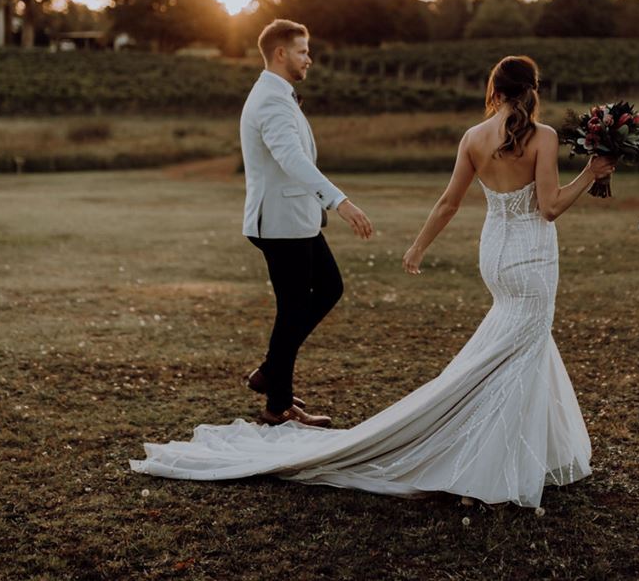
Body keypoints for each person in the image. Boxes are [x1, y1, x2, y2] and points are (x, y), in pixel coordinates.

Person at [130, 55, 614, 509]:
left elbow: (448, 202)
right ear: (531, 91)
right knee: (520, 349)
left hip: (494, 255)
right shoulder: (544, 136)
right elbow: (548, 207)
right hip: (530, 256)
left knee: (517, 346)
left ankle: (532, 452)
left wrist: (418, 246)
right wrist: (591, 173)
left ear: (494, 90)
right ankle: (491, 462)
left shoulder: (473, 137)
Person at [238, 19, 374, 427]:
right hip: (279, 223)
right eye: (302, 51)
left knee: (324, 290)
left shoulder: (278, 94)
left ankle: (272, 378)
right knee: (296, 306)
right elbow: (292, 160)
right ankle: (276, 399)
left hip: (294, 221)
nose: (309, 59)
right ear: (281, 53)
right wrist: (340, 201)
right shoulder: (270, 100)